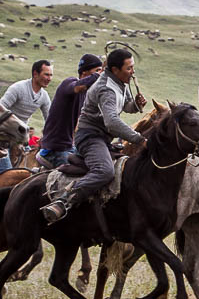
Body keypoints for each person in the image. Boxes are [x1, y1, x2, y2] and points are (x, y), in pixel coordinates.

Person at [40, 49, 146, 223]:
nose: (132, 72)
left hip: (103, 138)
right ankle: (63, 200)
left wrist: (135, 104)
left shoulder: (120, 82)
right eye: (129, 68)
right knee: (104, 171)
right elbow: (111, 121)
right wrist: (138, 139)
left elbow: (126, 106)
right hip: (90, 137)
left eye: (132, 67)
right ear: (115, 69)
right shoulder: (106, 88)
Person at [38, 53, 103, 169]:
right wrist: (100, 75)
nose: (100, 74)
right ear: (84, 73)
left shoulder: (87, 96)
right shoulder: (69, 83)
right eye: (97, 71)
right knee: (73, 180)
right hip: (56, 149)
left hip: (69, 146)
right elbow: (78, 87)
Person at [0, 60, 54, 173]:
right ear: (35, 74)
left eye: (51, 75)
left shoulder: (44, 96)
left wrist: (47, 136)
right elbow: (0, 109)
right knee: (6, 173)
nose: (49, 78)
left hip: (21, 137)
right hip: (3, 137)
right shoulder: (18, 88)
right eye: (46, 74)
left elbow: (50, 119)